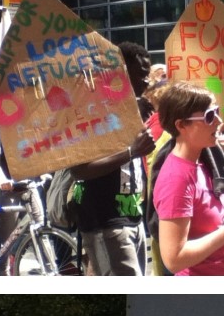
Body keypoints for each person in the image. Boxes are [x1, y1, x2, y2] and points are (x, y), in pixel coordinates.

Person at [67, 42, 157, 275]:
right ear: (122, 73)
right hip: (106, 221)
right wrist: (132, 151)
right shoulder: (91, 112)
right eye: (141, 75)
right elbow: (79, 170)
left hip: (132, 218)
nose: (147, 81)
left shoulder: (132, 109)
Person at [152, 82, 224, 275]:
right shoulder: (176, 178)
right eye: (209, 116)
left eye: (217, 111)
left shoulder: (203, 160)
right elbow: (174, 259)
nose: (218, 121)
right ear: (181, 125)